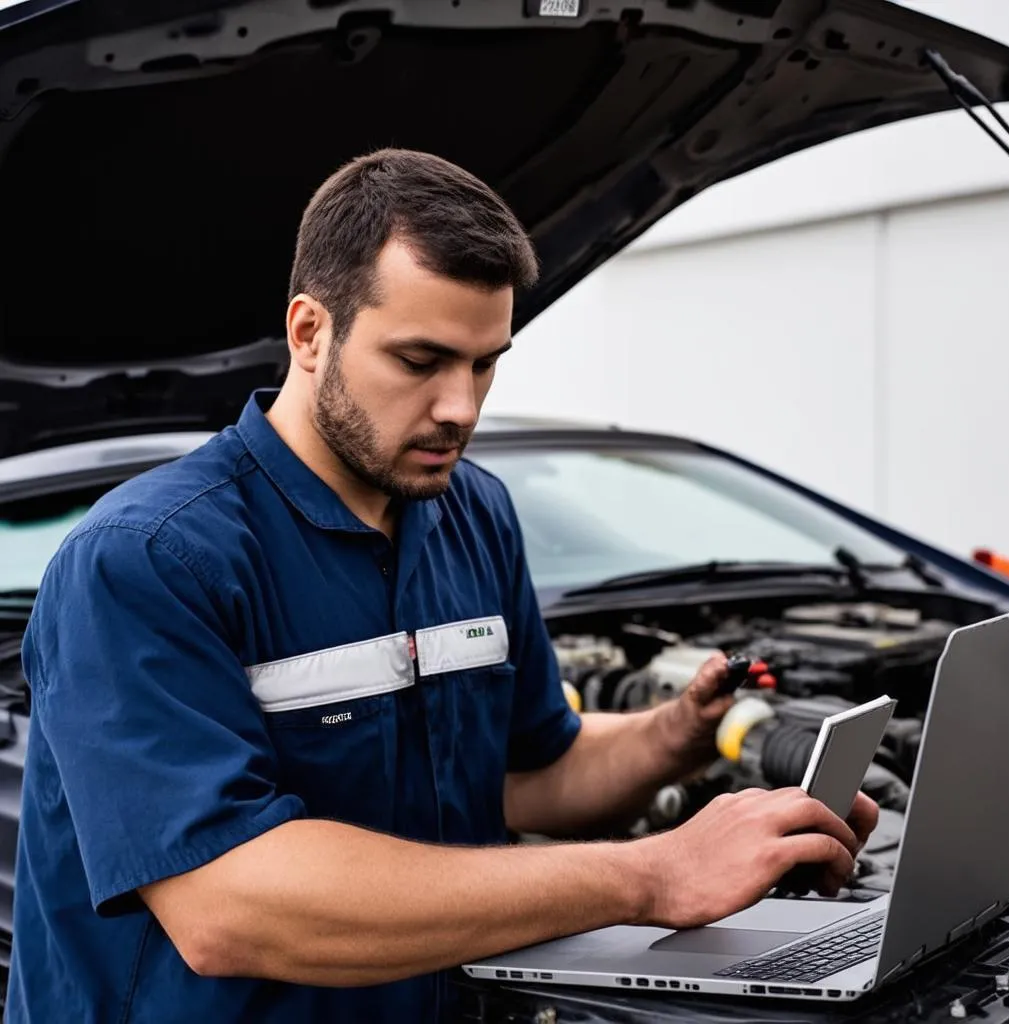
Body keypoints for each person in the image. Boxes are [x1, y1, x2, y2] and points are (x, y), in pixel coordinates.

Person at [6, 149, 877, 1023]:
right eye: (421, 360)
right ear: (310, 332)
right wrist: (653, 875)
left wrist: (676, 738)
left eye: (485, 362)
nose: (462, 405)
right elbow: (229, 906)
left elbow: (530, 775)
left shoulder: (474, 514)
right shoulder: (145, 560)